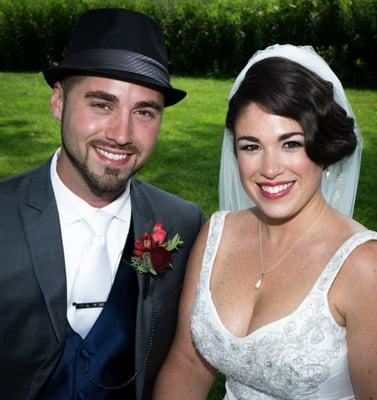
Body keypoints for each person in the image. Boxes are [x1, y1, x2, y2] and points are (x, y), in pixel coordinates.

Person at [0, 8, 204, 400]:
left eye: (144, 111)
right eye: (101, 104)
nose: (122, 134)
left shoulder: (183, 223)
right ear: (58, 102)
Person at [153, 44, 377, 399]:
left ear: (324, 148)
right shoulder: (216, 234)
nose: (270, 170)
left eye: (290, 144)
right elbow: (188, 362)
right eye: (251, 146)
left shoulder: (364, 267)